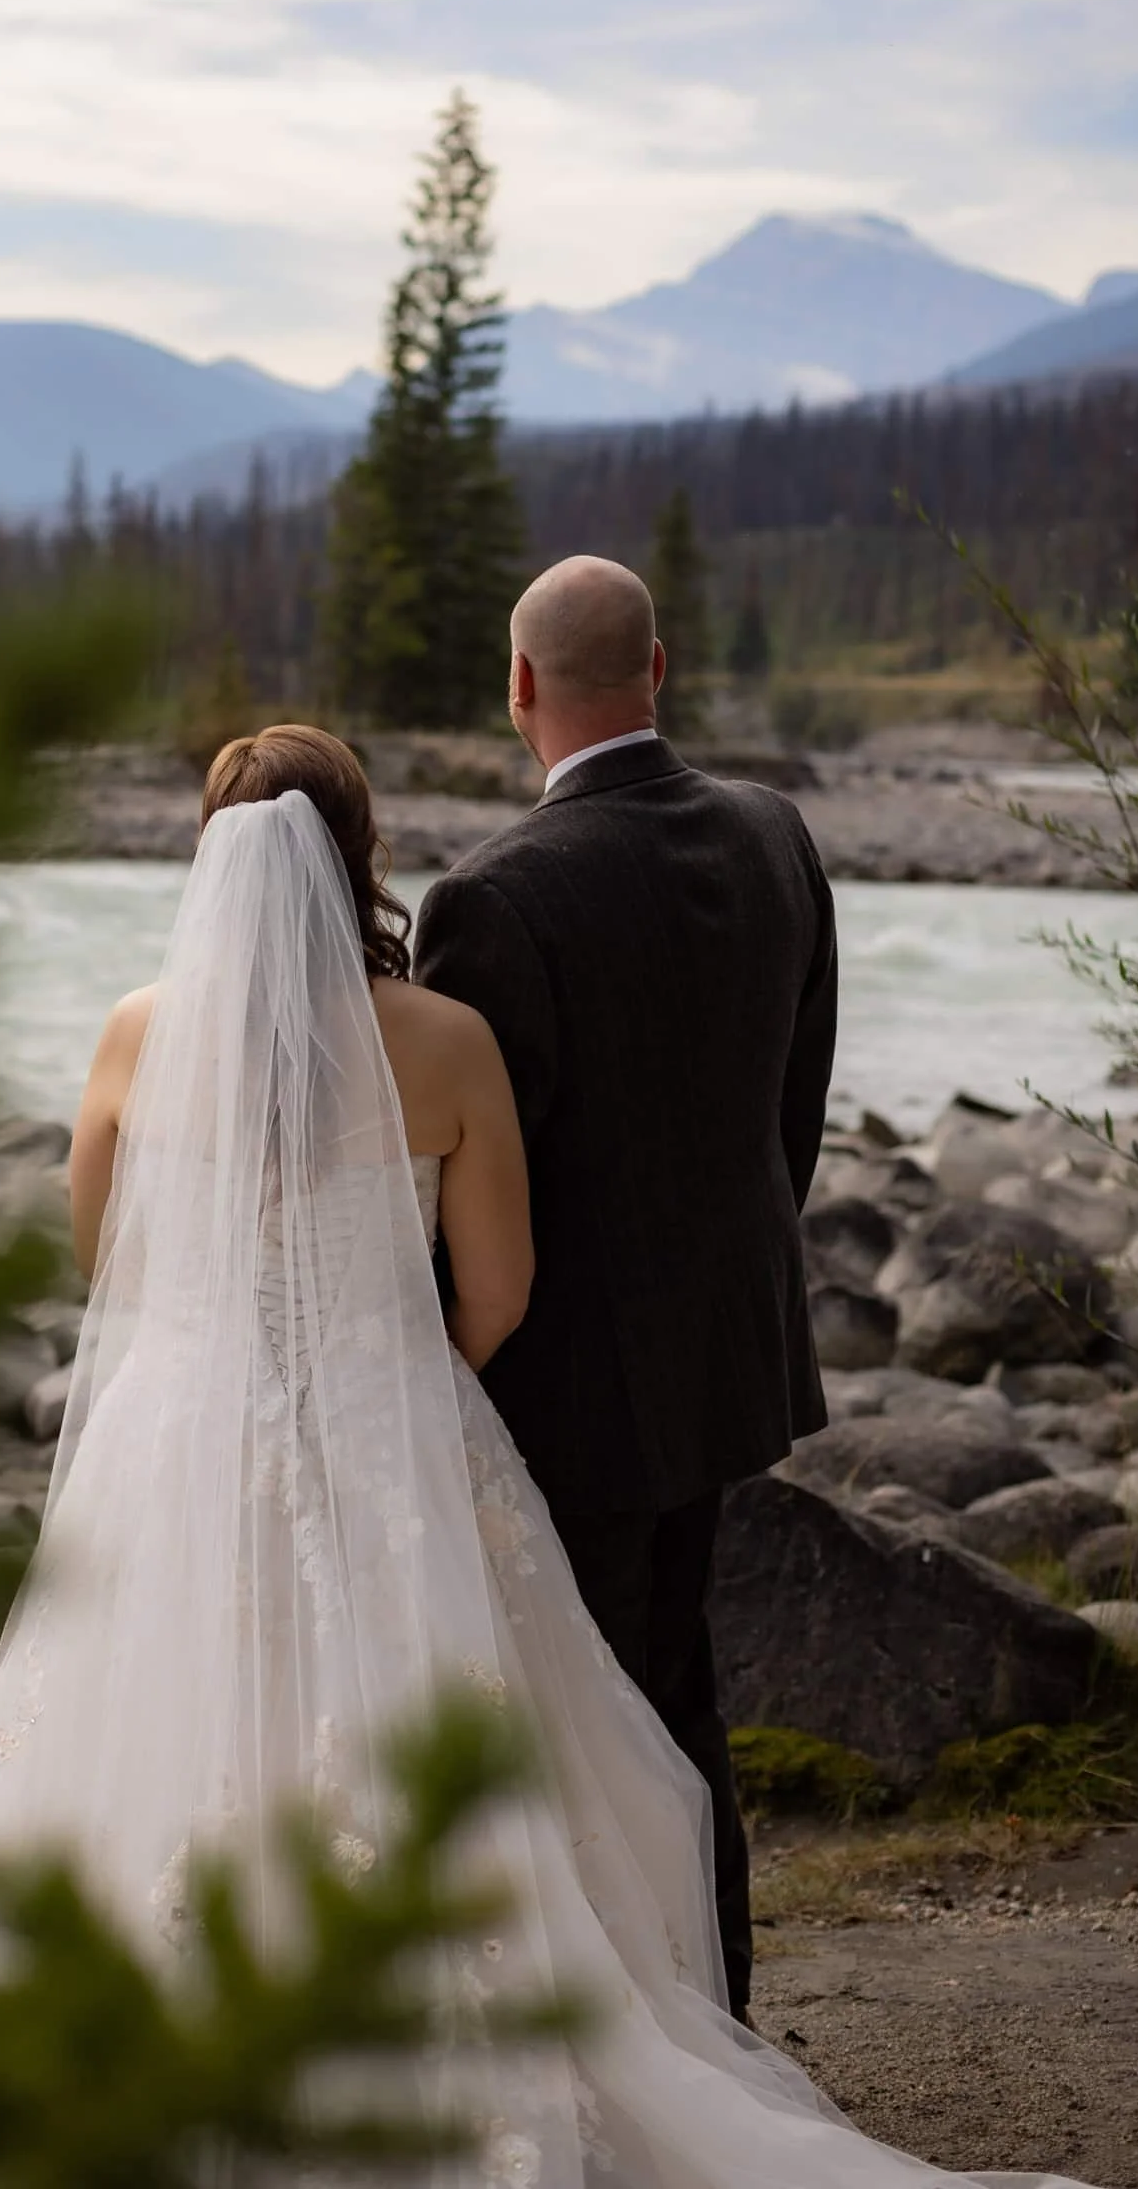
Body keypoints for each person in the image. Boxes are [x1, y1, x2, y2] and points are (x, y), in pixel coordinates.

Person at [0, 723, 1085, 2188]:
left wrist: (227, 1350)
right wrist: (395, 1385)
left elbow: (108, 1256)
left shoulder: (137, 1035)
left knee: (167, 1718)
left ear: (208, 857)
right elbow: (503, 1287)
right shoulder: (442, 1044)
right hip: (388, 1426)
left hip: (182, 1430)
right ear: (365, 853)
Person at [414, 557, 837, 2019]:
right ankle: (709, 2000)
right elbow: (797, 1115)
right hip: (727, 1364)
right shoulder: (777, 833)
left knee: (580, 1715)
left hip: (567, 1387)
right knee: (676, 1685)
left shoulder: (485, 900)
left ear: (518, 687)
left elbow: (483, 1183)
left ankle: (624, 2030)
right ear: (655, 672)